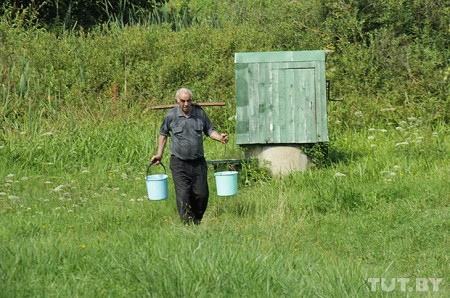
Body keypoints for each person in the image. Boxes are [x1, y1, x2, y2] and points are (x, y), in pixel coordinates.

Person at [151, 88, 229, 225]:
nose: (186, 104)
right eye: (183, 101)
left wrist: (220, 137)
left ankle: (197, 220)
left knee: (202, 195)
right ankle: (188, 224)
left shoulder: (200, 114)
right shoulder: (171, 116)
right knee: (183, 196)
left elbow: (209, 130)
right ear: (177, 101)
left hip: (198, 162)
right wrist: (159, 154)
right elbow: (163, 134)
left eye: (188, 100)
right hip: (179, 162)